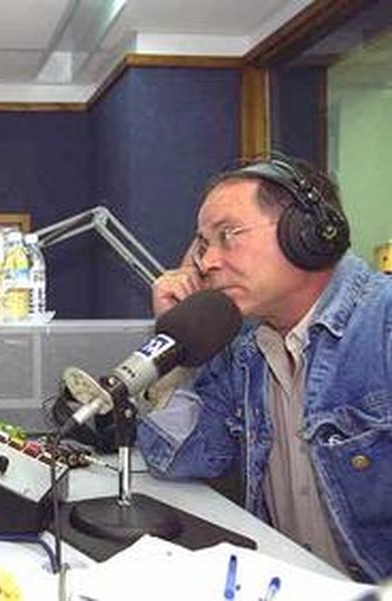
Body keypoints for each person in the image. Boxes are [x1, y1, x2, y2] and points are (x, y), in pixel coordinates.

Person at [137, 155, 391, 582]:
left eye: (227, 236)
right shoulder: (244, 348)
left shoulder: (383, 323)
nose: (206, 262)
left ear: (305, 234)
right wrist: (177, 345)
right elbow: (181, 460)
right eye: (203, 245)